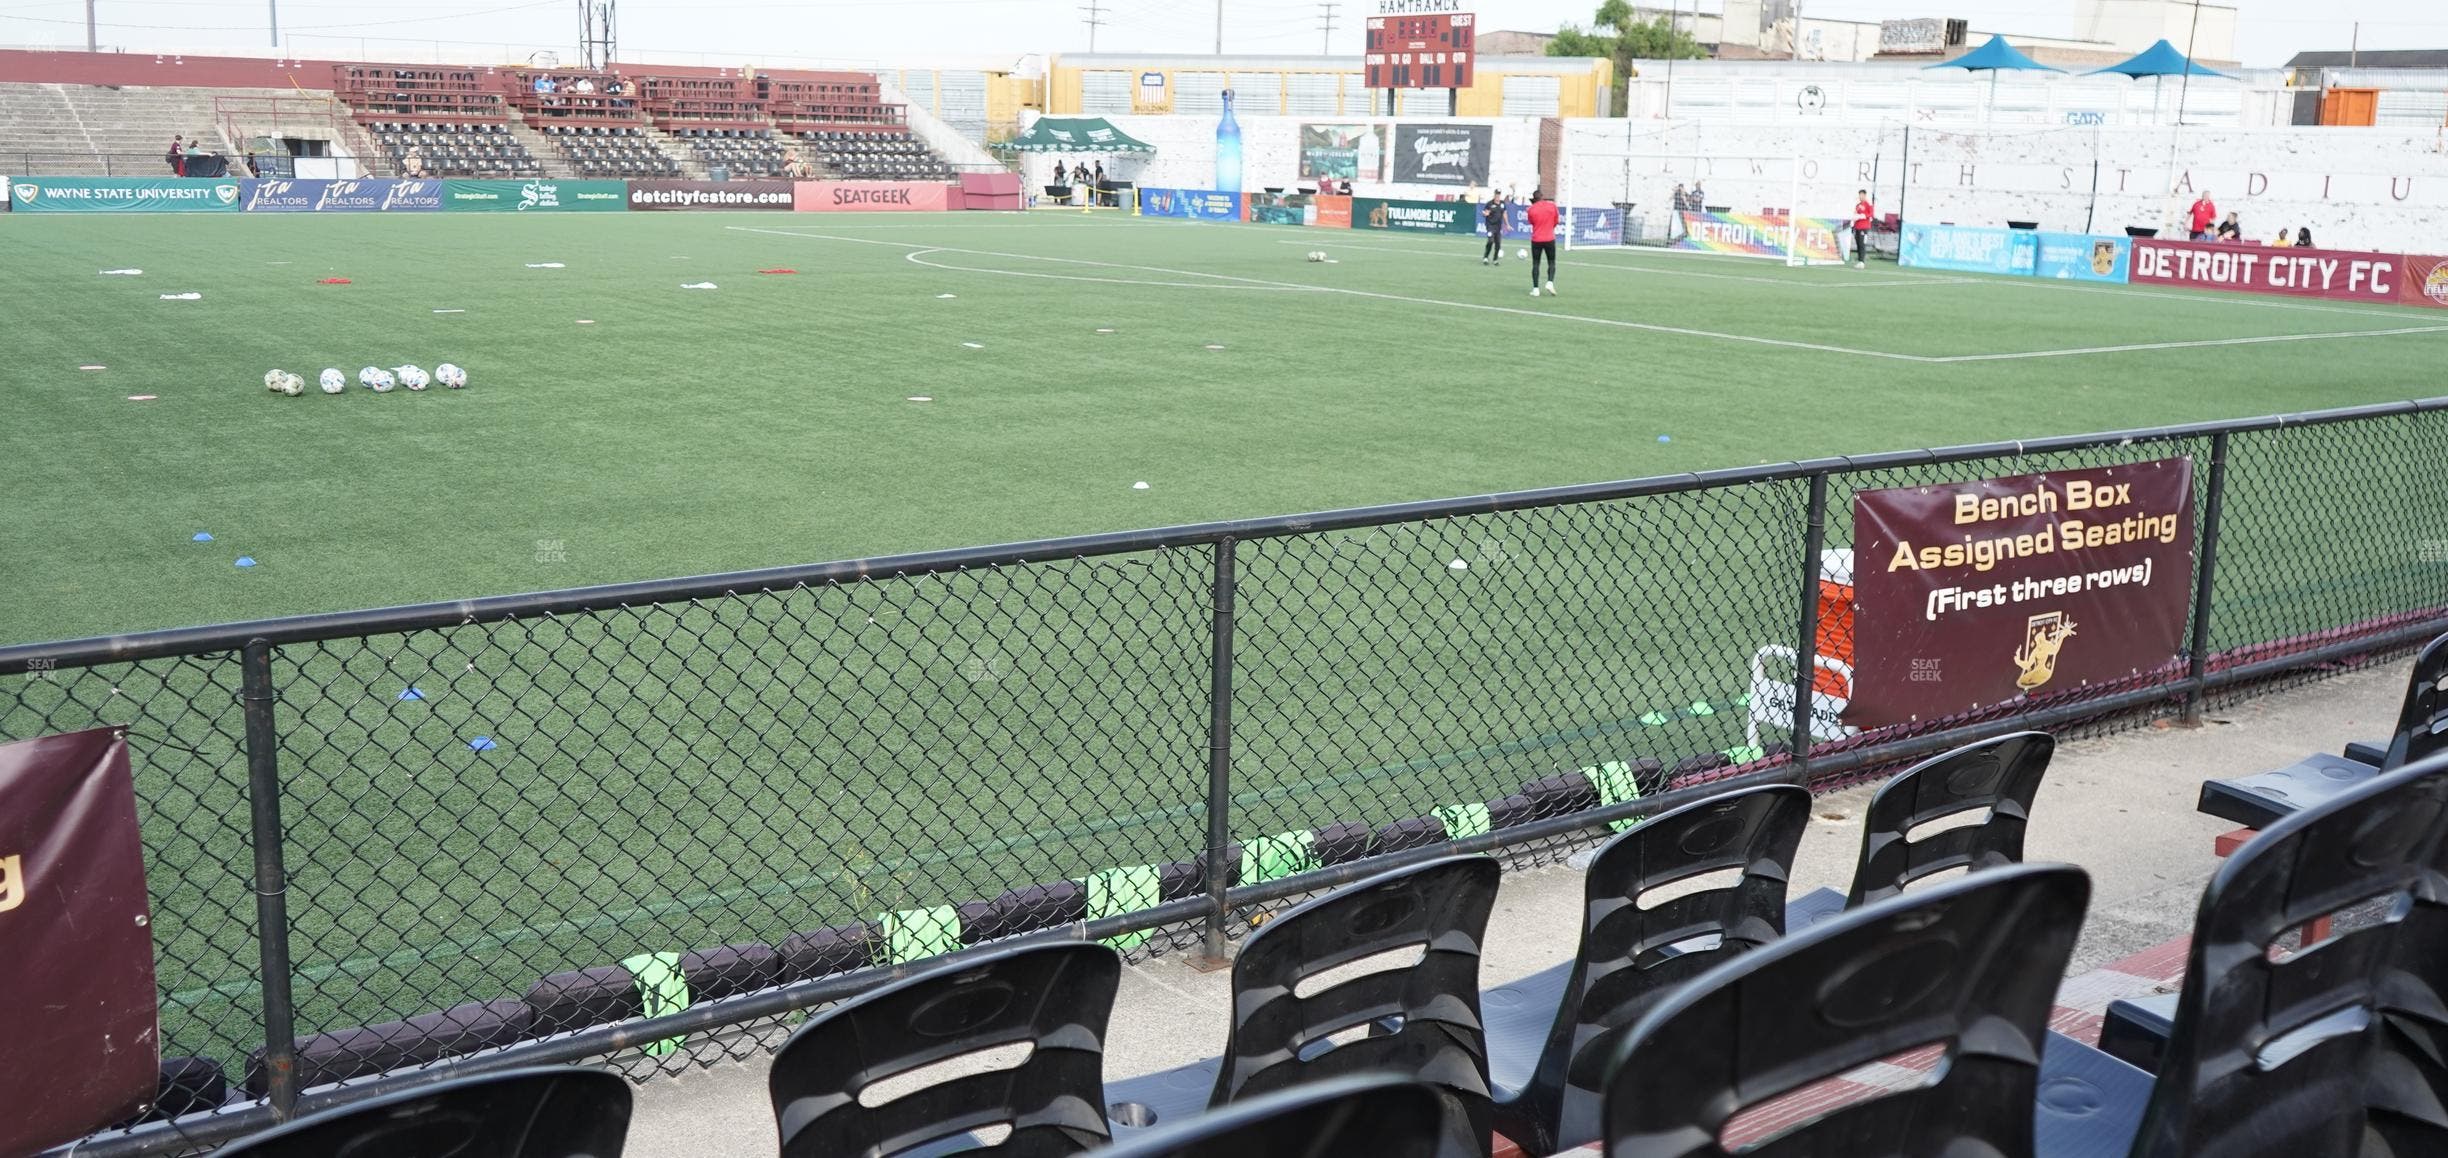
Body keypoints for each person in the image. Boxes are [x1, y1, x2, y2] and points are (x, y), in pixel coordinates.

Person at [1526, 188, 1560, 297]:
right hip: (1549, 238)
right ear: (1542, 197)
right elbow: (1556, 221)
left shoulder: (1531, 210)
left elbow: (1532, 222)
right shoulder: (1552, 206)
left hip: (1537, 239)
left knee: (1536, 264)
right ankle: (1550, 282)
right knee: (1551, 262)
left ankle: (1535, 289)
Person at [1481, 187, 1507, 265]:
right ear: (1494, 194)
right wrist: (1485, 214)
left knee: (1498, 243)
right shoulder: (1490, 204)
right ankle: (1485, 257)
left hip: (1498, 227)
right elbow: (1486, 212)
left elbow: (1504, 214)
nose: (1497, 196)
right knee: (1490, 241)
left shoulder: (1502, 204)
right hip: (1490, 226)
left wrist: (1507, 224)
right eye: (1496, 194)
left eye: (1499, 194)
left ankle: (1495, 259)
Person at [1852, 188, 1876, 268]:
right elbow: (1855, 214)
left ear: (1865, 195)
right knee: (1858, 243)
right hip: (1857, 227)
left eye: (1862, 195)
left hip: (1864, 227)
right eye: (1860, 195)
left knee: (1862, 243)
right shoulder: (1858, 205)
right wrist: (1854, 221)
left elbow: (1871, 214)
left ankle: (1862, 261)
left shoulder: (1868, 204)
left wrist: (1864, 216)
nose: (1860, 196)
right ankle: (1859, 260)